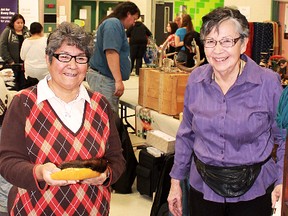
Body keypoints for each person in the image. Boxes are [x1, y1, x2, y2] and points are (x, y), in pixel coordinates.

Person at [168, 6, 285, 216]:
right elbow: (186, 133)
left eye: (227, 41)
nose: (218, 50)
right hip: (202, 188)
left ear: (243, 44)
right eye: (211, 42)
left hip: (254, 190)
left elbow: (283, 136)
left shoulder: (268, 83)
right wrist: (175, 182)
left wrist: (282, 181)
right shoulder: (196, 79)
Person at [0, 22, 125, 215]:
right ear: (48, 59)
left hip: (93, 209)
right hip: (36, 209)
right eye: (64, 57)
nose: (73, 66)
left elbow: (117, 159)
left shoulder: (100, 105)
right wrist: (39, 172)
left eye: (81, 58)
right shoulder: (24, 103)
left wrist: (106, 175)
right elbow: (7, 161)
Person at [87, 2, 140, 113]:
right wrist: (118, 80)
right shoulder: (113, 24)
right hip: (104, 79)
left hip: (104, 78)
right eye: (134, 19)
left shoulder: (112, 24)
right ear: (128, 14)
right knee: (107, 116)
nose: (134, 23)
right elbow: (111, 52)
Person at [20, 22, 48, 86]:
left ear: (30, 31)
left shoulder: (26, 41)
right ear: (41, 30)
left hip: (30, 72)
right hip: (44, 72)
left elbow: (22, 57)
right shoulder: (45, 41)